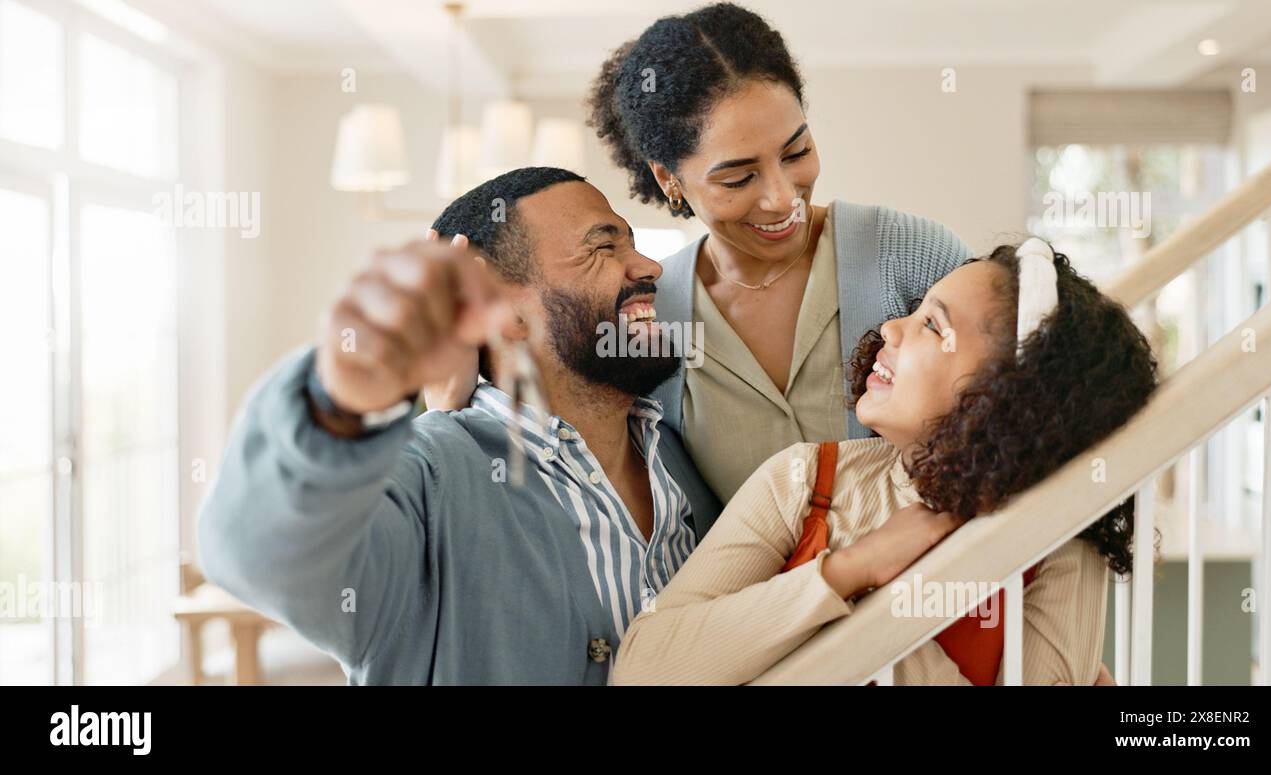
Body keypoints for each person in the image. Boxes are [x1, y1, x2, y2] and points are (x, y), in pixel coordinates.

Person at [198, 167, 722, 685]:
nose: (649, 266)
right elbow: (259, 556)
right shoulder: (430, 476)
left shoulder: (679, 450)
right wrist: (339, 397)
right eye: (602, 248)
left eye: (631, 243)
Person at [609, 240, 1159, 685]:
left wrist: (883, 606)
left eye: (932, 326)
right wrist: (852, 567)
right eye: (915, 310)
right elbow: (643, 670)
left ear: (1009, 396)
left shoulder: (1057, 545)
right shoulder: (804, 479)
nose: (892, 328)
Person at [587, 2, 972, 502]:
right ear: (669, 179)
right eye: (738, 177)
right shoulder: (654, 317)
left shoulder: (911, 256)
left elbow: (1013, 410)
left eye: (797, 153)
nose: (783, 197)